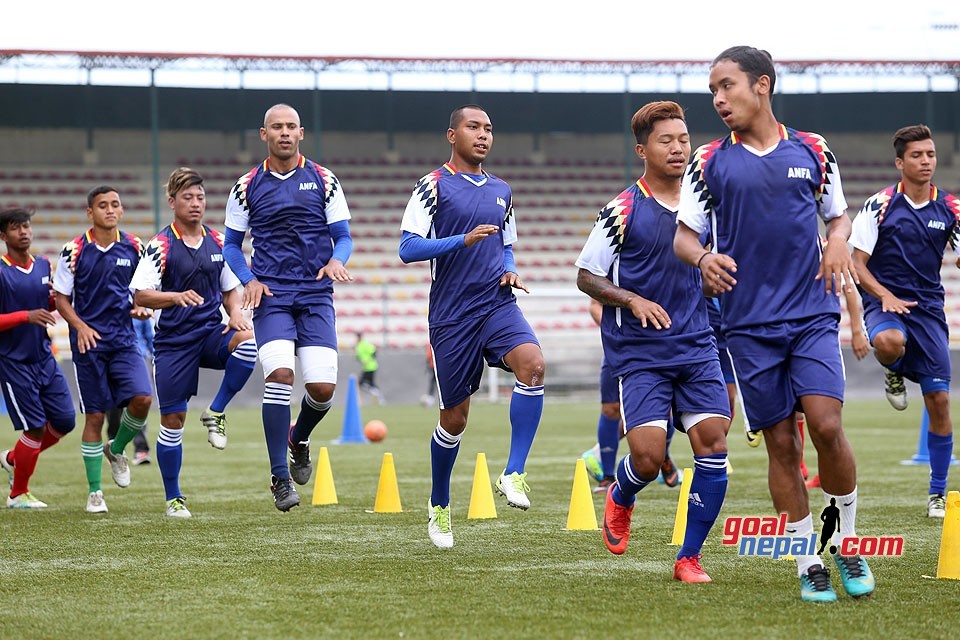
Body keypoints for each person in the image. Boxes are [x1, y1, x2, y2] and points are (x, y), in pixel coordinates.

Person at [674, 46, 875, 602]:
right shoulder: (708, 160)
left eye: (727, 86)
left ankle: (849, 542)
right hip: (746, 325)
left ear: (762, 85)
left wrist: (837, 241)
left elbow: (839, 215)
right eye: (712, 89)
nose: (717, 99)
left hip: (811, 314)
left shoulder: (813, 148)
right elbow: (684, 236)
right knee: (782, 444)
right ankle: (809, 558)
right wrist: (703, 259)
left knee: (827, 425)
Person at [577, 101, 730, 583]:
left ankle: (689, 556)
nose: (679, 148)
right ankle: (622, 494)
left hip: (697, 346)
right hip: (640, 355)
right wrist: (631, 300)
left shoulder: (704, 205)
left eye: (684, 139)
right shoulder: (622, 209)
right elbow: (586, 276)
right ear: (643, 150)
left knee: (713, 445)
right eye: (667, 141)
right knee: (646, 455)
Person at [399, 104, 545, 549]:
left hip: (496, 304)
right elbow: (407, 248)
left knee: (534, 365)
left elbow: (505, 246)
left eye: (488, 129)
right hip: (452, 316)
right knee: (454, 421)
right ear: (452, 134)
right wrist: (460, 241)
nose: (483, 135)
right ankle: (439, 503)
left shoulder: (503, 189)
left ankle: (514, 471)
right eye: (473, 127)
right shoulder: (432, 186)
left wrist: (509, 269)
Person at [223, 103, 354, 512]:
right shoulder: (245, 186)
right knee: (280, 376)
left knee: (322, 390)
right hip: (273, 297)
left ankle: (299, 438)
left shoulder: (324, 179)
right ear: (264, 134)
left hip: (315, 295)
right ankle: (279, 477)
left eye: (291, 126)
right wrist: (249, 280)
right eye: (276, 127)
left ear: (301, 133)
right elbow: (230, 244)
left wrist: (337, 261)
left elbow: (344, 237)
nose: (284, 132)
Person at [131, 167, 258, 518]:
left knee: (248, 339)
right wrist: (174, 297)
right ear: (172, 202)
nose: (195, 203)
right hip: (172, 343)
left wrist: (234, 312)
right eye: (187, 197)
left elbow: (231, 289)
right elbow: (141, 295)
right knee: (172, 421)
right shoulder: (159, 245)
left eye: (200, 197)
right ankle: (174, 498)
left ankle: (216, 411)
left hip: (208, 333)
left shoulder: (219, 243)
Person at [849, 124, 958, 518]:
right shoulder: (879, 205)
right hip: (883, 301)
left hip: (928, 309)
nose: (926, 161)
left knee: (940, 401)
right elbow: (856, 265)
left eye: (930, 154)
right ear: (900, 162)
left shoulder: (951, 208)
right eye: (917, 155)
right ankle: (893, 370)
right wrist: (885, 296)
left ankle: (937, 494)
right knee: (889, 342)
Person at [53, 186, 154, 513]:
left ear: (121, 211)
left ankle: (118, 448)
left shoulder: (135, 246)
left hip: (124, 341)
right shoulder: (74, 250)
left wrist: (140, 307)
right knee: (94, 416)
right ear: (90, 213)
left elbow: (143, 290)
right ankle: (95, 493)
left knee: (143, 399)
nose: (110, 210)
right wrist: (80, 327)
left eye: (115, 205)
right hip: (89, 346)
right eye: (102, 206)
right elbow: (61, 299)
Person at [0, 208, 76, 508]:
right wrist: (25, 316)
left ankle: (11, 458)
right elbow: (25, 314)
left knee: (65, 421)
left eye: (27, 226)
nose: (24, 232)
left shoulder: (45, 265)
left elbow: (50, 302)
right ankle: (18, 494)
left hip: (43, 357)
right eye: (16, 227)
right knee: (34, 426)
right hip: (12, 361)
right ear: (4, 235)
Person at [579, 298, 683, 491]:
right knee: (611, 409)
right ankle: (607, 476)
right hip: (622, 349)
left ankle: (662, 455)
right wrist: (618, 332)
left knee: (663, 408)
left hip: (663, 348)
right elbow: (595, 305)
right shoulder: (617, 270)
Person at [354, 332, 383, 403]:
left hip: (371, 367)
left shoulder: (365, 344)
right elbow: (359, 357)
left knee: (363, 383)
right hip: (366, 368)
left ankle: (377, 396)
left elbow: (374, 351)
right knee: (368, 383)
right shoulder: (358, 346)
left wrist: (368, 360)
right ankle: (375, 394)